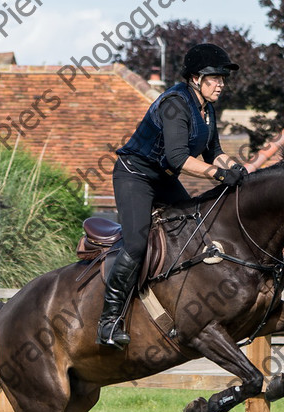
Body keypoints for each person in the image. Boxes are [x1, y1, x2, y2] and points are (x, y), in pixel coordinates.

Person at [96, 43, 249, 349]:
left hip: (163, 179)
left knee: (196, 230)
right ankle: (109, 321)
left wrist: (239, 170)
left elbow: (215, 153)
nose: (221, 83)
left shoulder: (207, 110)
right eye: (215, 77)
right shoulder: (175, 104)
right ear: (195, 78)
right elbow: (178, 158)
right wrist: (217, 174)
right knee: (137, 243)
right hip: (135, 175)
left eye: (222, 78)